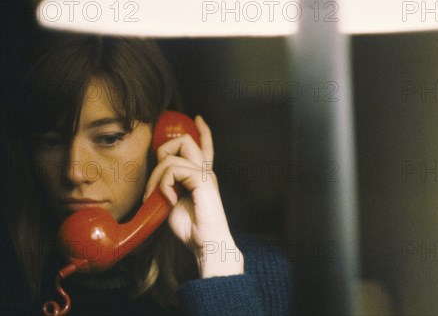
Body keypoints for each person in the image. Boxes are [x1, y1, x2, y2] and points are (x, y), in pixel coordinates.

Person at [0, 32, 291, 315]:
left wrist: (217, 264)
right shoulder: (12, 280)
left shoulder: (260, 270)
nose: (75, 172)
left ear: (163, 141)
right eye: (50, 141)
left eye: (109, 138)